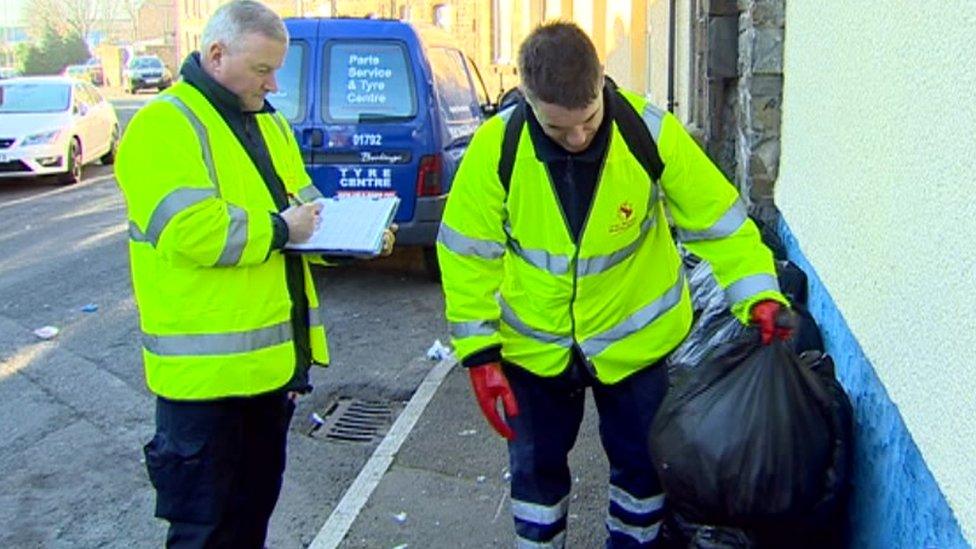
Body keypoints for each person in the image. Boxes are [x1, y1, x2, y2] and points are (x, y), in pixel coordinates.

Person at [436, 21, 793, 548]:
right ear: (527, 99)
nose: (578, 138)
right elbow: (467, 256)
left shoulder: (649, 135)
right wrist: (480, 353)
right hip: (535, 349)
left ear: (601, 81)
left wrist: (759, 294)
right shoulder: (496, 151)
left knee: (642, 474)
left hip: (636, 347)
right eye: (560, 131)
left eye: (587, 120)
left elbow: (721, 225)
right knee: (536, 476)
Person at [116, 1, 391, 546]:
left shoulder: (270, 126)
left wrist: (355, 239)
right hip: (204, 390)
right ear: (216, 54)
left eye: (276, 70)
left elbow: (307, 212)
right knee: (204, 532)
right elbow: (191, 231)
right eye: (263, 69)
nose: (273, 84)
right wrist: (282, 229)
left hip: (269, 378)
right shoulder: (162, 125)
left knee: (250, 522)